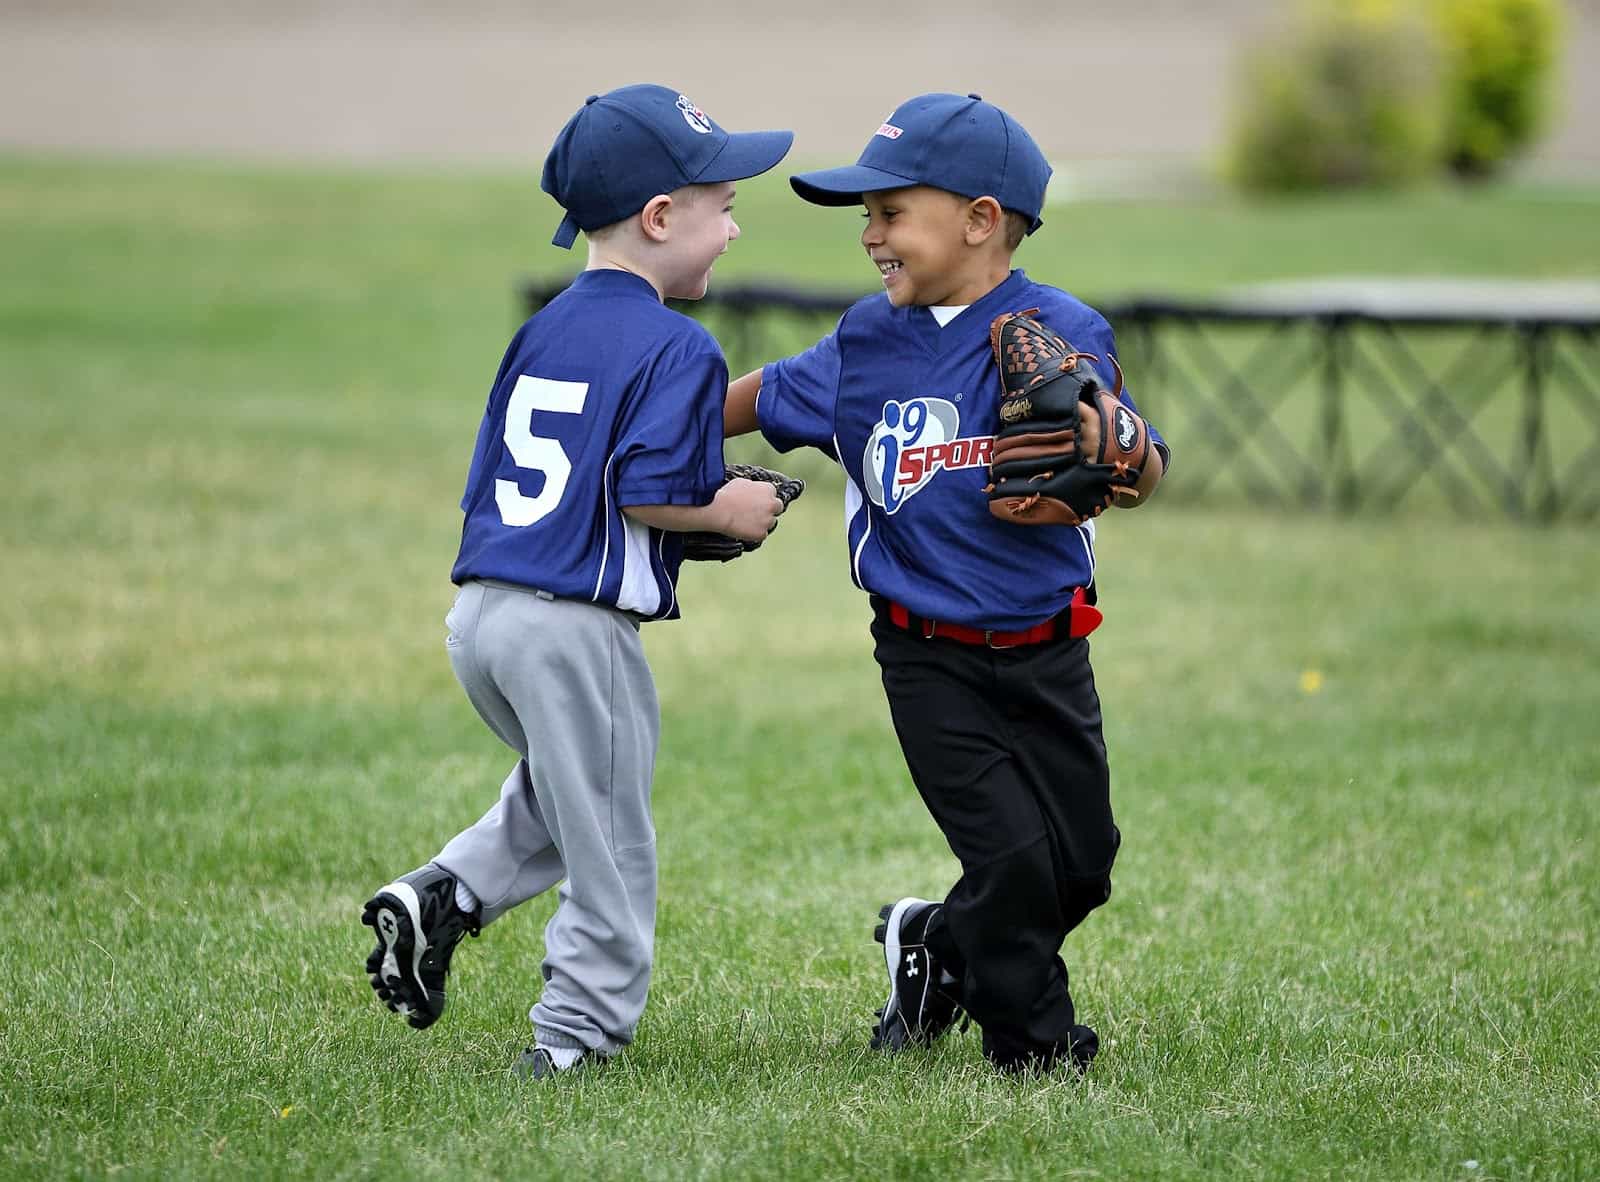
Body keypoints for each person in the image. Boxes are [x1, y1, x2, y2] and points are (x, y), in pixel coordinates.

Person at [723, 92, 1170, 1076]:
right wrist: (646, 420)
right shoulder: (865, 343)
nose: (872, 237)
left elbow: (1133, 466)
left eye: (891, 214)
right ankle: (1034, 1044)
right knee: (1011, 860)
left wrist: (1120, 450)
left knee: (1078, 867)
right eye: (866, 219)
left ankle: (933, 947)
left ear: (978, 220)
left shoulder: (1061, 329)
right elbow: (758, 400)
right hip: (925, 653)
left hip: (1051, 644)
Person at [361, 84, 793, 1080]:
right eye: (721, 205)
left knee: (572, 790)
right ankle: (574, 1038)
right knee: (611, 842)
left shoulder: (545, 326)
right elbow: (648, 489)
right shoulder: (680, 343)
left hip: (482, 617)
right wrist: (725, 507)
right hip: (571, 628)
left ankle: (444, 896)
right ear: (658, 218)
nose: (731, 232)